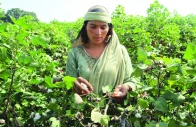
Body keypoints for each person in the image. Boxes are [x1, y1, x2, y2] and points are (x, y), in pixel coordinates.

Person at [65, 5, 136, 101]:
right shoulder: (75, 53)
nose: (98, 32)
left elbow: (131, 80)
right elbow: (69, 82)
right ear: (85, 27)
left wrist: (127, 87)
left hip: (114, 111)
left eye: (103, 27)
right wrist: (73, 83)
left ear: (109, 29)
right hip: (82, 112)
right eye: (93, 27)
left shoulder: (120, 51)